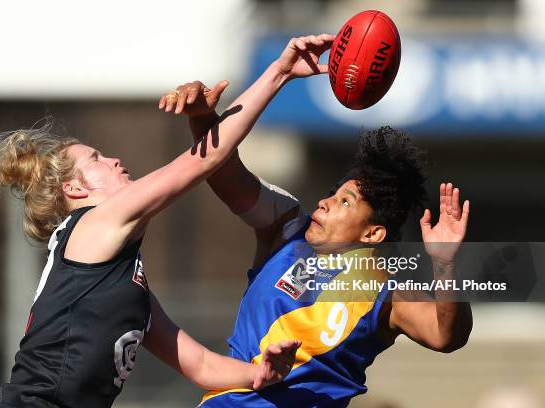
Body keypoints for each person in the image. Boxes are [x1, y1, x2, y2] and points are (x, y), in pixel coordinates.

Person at [0, 41, 317, 407]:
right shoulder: (94, 223)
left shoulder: (129, 287)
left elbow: (202, 365)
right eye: (96, 159)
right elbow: (202, 162)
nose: (113, 159)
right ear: (75, 188)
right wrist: (280, 72)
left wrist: (261, 374)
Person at [162, 34, 473, 407]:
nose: (325, 202)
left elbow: (445, 336)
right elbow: (226, 177)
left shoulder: (386, 293)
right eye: (333, 192)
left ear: (373, 232)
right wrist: (202, 120)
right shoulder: (287, 230)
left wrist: (444, 262)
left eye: (345, 201)